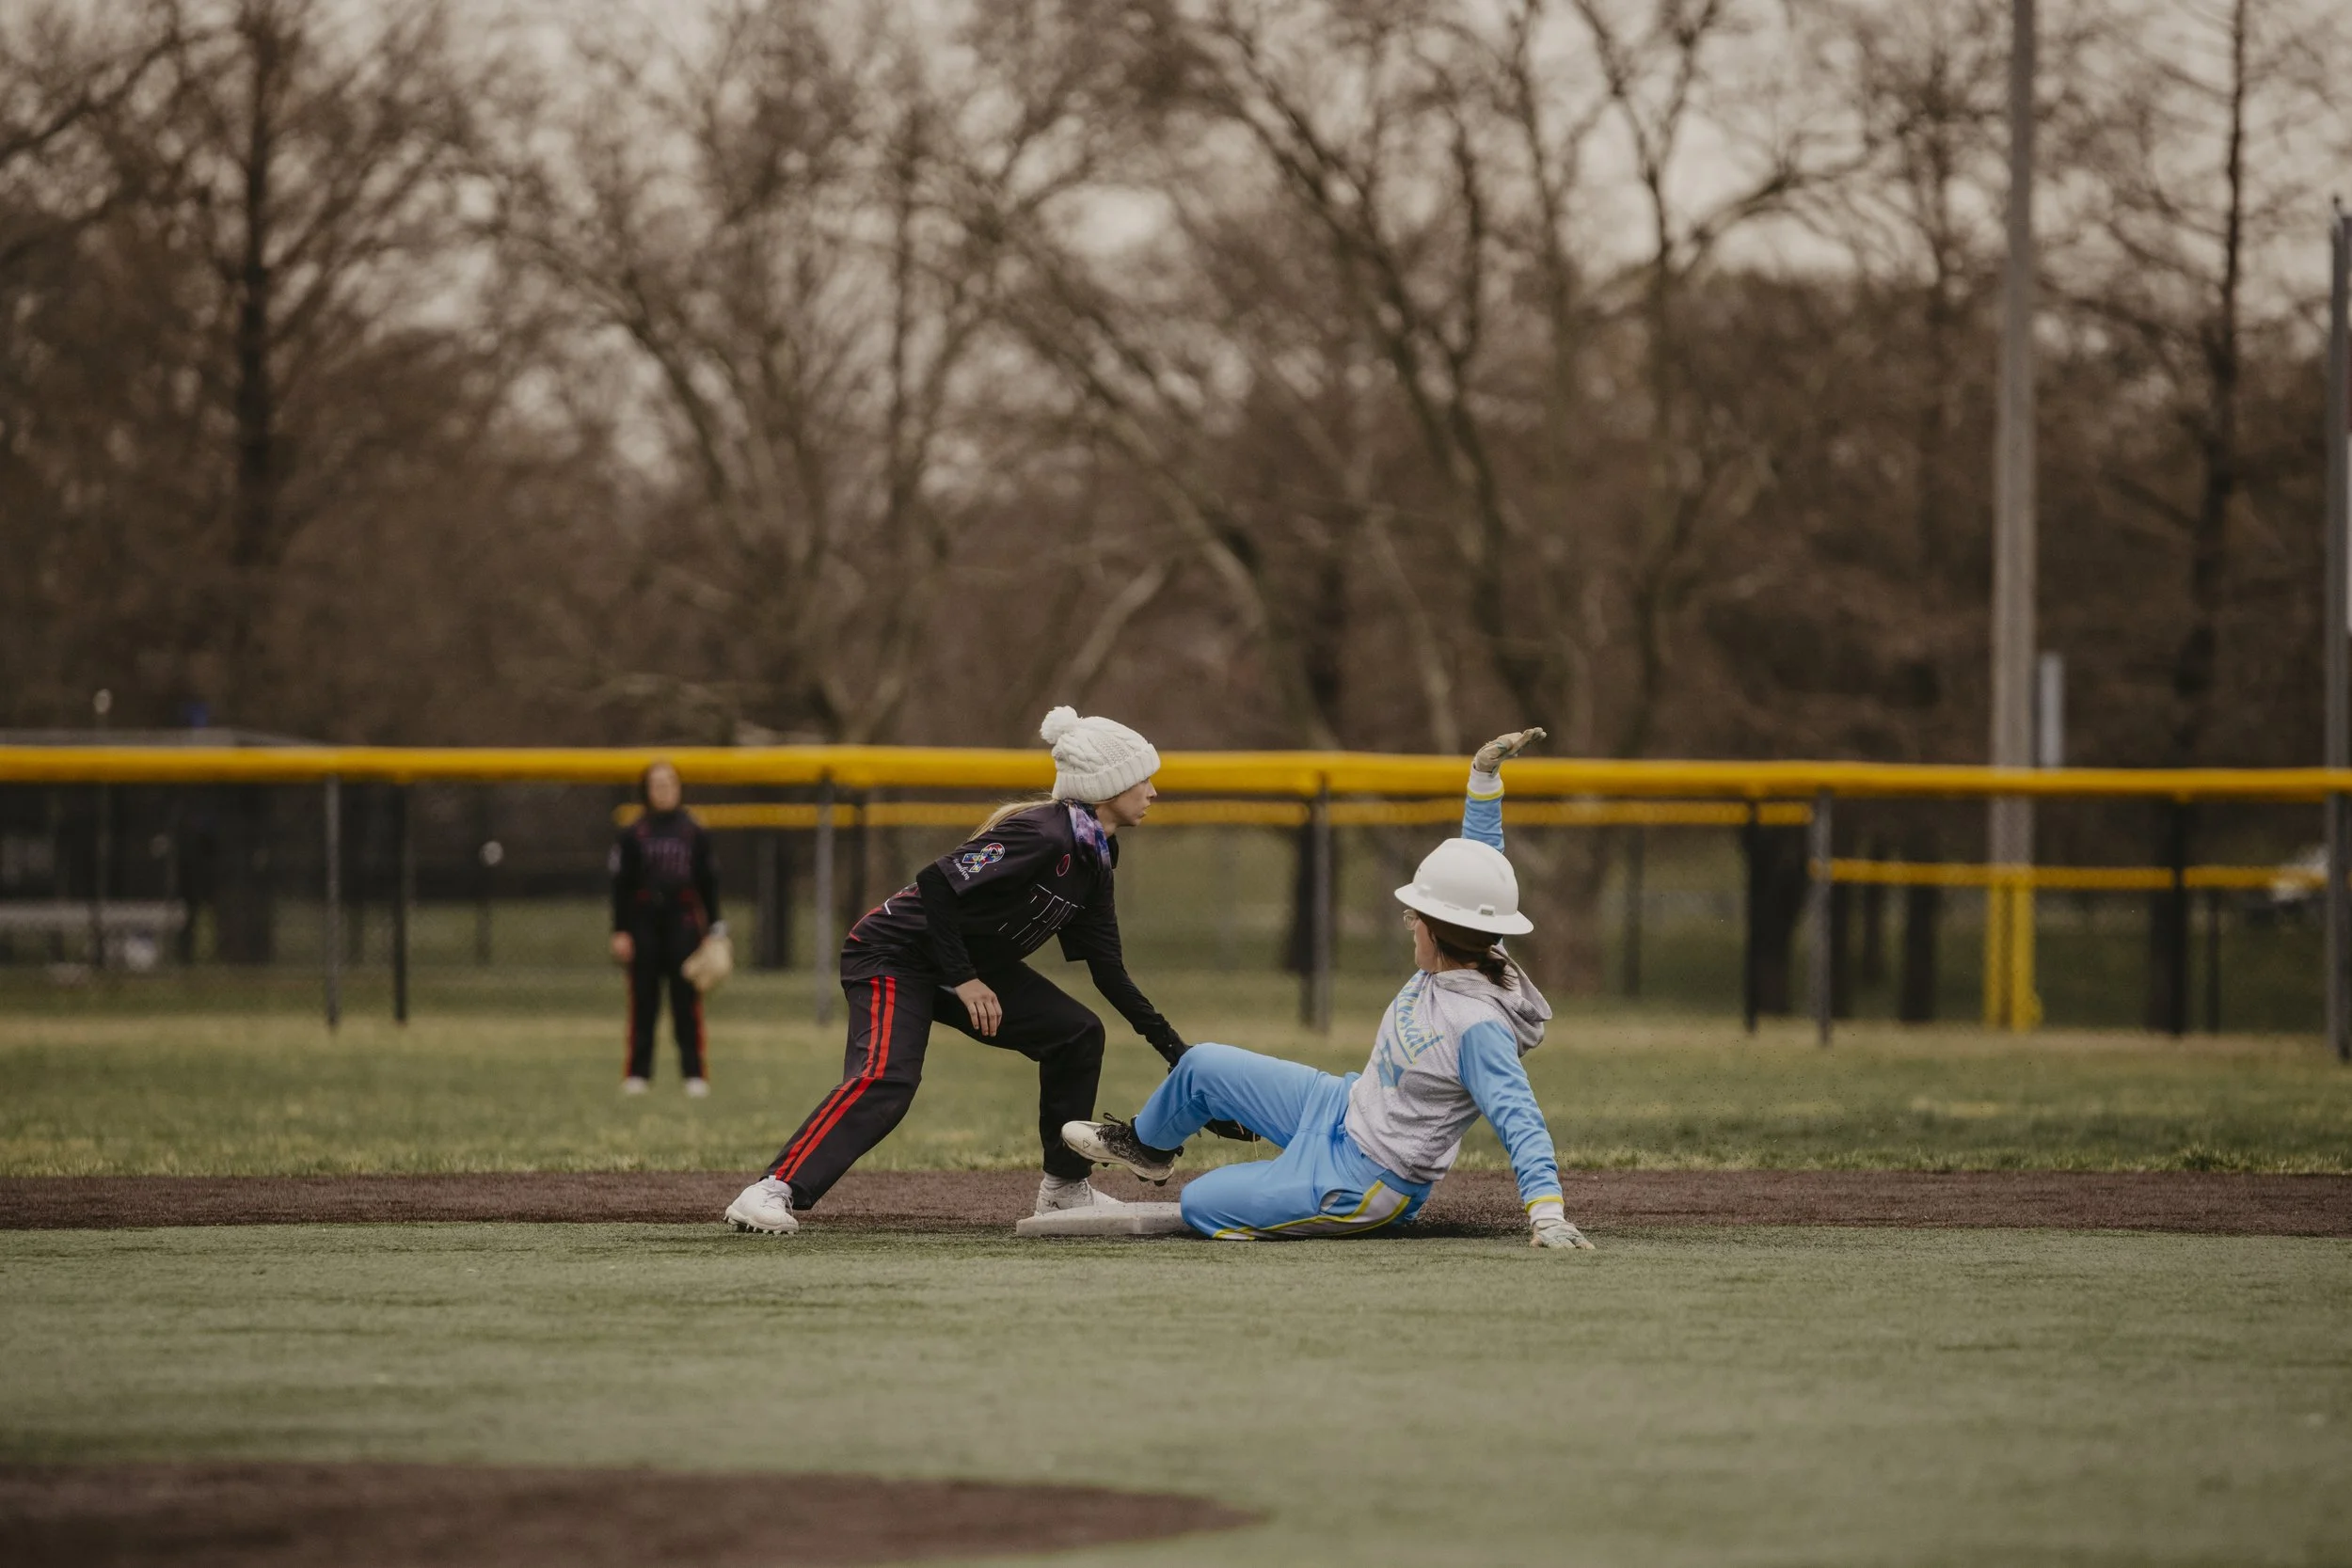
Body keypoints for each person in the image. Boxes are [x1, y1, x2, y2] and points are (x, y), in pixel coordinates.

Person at [1060, 729, 1597, 1250]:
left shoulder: (1478, 1026)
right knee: (1200, 1066)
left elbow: (1518, 1116)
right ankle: (1148, 1148)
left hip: (1368, 1178)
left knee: (1202, 1204)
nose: (1410, 921)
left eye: (1417, 914)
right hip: (1342, 1105)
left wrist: (1548, 1214)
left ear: (1440, 928)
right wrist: (1483, 781)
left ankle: (1296, 1193)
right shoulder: (1475, 947)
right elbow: (1479, 869)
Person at [724, 706, 1194, 1234]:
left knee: (1077, 1034)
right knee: (888, 1079)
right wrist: (966, 979)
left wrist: (1179, 1053)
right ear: (1108, 785)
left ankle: (1063, 1192)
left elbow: (1109, 972)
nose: (1153, 791)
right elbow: (936, 883)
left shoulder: (1095, 855)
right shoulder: (1043, 834)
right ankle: (772, 1189)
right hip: (894, 954)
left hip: (966, 965)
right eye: (1142, 778)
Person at [610, 760, 723, 1098]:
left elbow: (709, 882)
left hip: (683, 923)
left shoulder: (693, 831)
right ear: (646, 789)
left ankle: (694, 1073)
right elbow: (621, 886)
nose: (664, 789)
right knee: (643, 1002)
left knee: (686, 1001)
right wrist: (620, 930)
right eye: (657, 784)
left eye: (670, 783)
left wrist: (715, 927)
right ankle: (637, 1074)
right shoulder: (634, 833)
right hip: (644, 922)